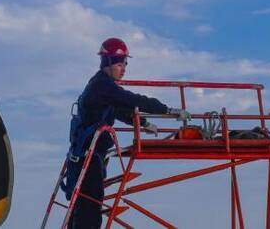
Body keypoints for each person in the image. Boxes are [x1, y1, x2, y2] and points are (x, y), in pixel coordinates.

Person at [64, 37, 191, 229]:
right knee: (89, 210)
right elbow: (132, 100)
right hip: (87, 160)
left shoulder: (100, 85)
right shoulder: (103, 86)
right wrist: (169, 110)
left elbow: (116, 108)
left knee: (83, 209)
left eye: (125, 64)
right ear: (107, 63)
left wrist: (143, 122)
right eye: (119, 64)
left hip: (86, 158)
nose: (123, 69)